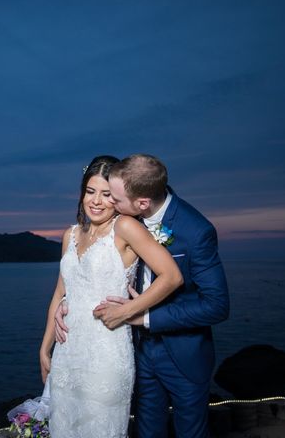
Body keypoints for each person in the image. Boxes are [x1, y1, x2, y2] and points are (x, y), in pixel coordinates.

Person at [57, 154, 230, 437]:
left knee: (191, 431)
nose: (107, 202)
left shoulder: (196, 231)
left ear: (142, 203)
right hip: (135, 351)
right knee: (146, 431)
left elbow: (217, 306)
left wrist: (142, 315)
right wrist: (66, 302)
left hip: (182, 354)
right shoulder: (129, 217)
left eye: (114, 197)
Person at [40, 155, 183, 438]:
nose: (96, 201)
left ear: (118, 197)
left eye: (106, 194)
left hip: (106, 354)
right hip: (67, 354)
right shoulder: (70, 235)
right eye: (90, 192)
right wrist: (45, 348)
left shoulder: (125, 228)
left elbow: (172, 276)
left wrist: (129, 310)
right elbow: (60, 292)